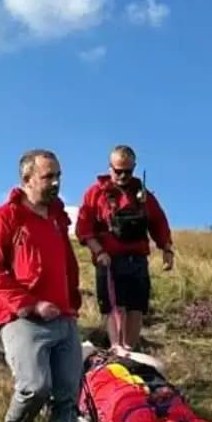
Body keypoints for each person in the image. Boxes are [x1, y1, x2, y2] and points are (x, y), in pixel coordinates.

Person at [0, 149, 83, 422]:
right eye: (47, 176)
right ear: (27, 179)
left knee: (67, 396)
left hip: (64, 319)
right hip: (22, 319)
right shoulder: (6, 217)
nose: (55, 183)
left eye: (58, 176)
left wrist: (72, 299)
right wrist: (29, 304)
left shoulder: (57, 218)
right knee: (35, 387)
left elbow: (67, 262)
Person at [75, 144, 175, 352]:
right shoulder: (95, 194)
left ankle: (130, 348)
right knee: (115, 306)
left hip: (137, 260)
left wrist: (166, 249)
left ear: (134, 168)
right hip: (110, 260)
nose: (122, 175)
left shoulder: (143, 195)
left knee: (136, 306)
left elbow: (158, 222)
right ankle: (116, 346)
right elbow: (84, 229)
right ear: (110, 167)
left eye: (127, 171)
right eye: (118, 170)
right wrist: (99, 252)